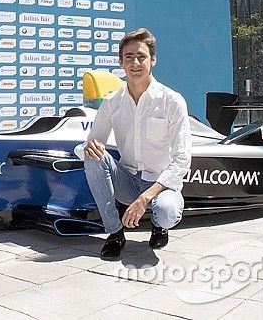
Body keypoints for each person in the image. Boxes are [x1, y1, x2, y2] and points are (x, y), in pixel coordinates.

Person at [80, 28, 192, 260]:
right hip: (128, 181)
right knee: (92, 156)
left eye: (141, 56)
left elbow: (182, 159)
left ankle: (159, 226)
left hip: (161, 184)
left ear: (153, 60)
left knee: (167, 212)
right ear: (121, 62)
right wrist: (89, 147)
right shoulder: (112, 102)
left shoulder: (172, 101)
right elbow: (93, 142)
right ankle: (114, 233)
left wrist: (145, 198)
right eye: (129, 57)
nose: (135, 63)